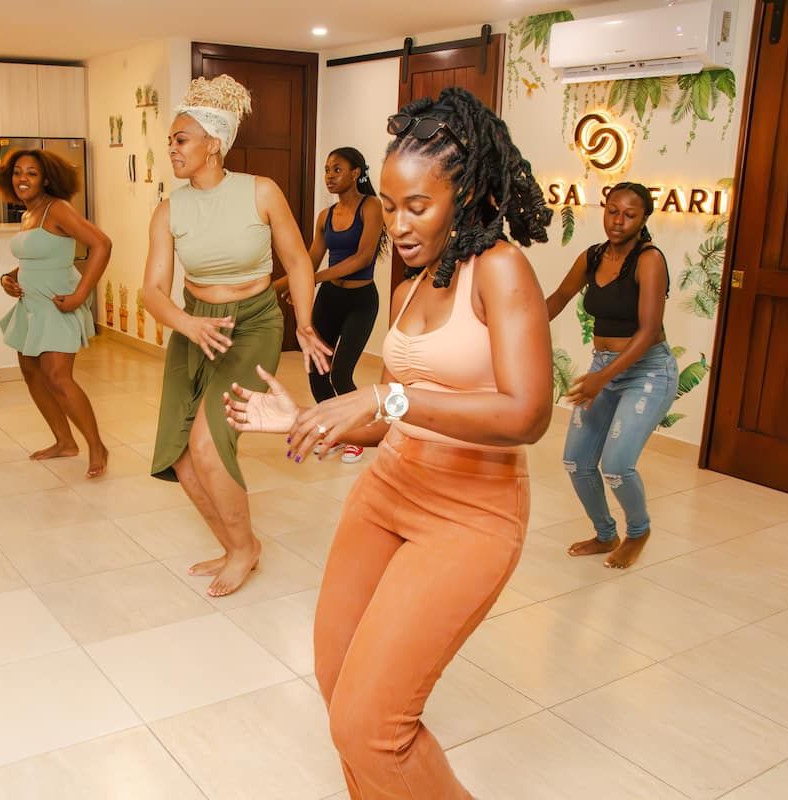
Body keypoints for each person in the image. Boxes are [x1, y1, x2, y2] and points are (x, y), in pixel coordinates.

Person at [225, 88, 552, 798]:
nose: (398, 224)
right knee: (340, 692)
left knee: (372, 725)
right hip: (387, 494)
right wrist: (308, 420)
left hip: (470, 517)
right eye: (393, 204)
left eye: (418, 206)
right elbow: (401, 417)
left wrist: (386, 394)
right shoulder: (414, 282)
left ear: (465, 196)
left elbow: (527, 414)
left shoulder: (498, 269)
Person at [142, 74, 332, 597]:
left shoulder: (260, 191)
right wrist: (188, 324)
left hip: (252, 322)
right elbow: (153, 291)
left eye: (181, 139)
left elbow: (297, 262)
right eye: (172, 140)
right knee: (180, 454)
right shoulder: (169, 209)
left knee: (208, 442)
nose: (172, 148)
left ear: (213, 145)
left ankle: (245, 547)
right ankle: (233, 545)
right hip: (194, 324)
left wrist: (306, 323)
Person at [545, 181, 677, 569]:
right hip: (604, 367)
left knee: (617, 465)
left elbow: (649, 330)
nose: (618, 221)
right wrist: (513, 327)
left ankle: (639, 531)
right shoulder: (593, 256)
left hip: (647, 371)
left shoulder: (649, 259)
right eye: (612, 211)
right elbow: (557, 299)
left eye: (629, 214)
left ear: (644, 218)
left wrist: (602, 380)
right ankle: (605, 534)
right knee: (575, 461)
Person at [0, 148, 111, 475]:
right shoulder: (29, 213)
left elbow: (102, 244)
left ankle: (97, 446)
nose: (22, 179)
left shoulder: (57, 209)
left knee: (58, 378)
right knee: (33, 374)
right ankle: (64, 442)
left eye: (31, 173)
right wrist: (9, 278)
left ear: (46, 178)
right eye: (18, 172)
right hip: (31, 305)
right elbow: (37, 259)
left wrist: (80, 295)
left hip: (56, 303)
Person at [272, 147, 385, 464]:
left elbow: (362, 258)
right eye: (326, 170)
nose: (329, 177)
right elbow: (306, 262)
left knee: (341, 373)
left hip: (361, 300)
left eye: (337, 170)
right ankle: (335, 432)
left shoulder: (371, 207)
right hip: (331, 299)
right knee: (317, 371)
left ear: (355, 173)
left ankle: (359, 436)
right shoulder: (325, 217)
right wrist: (272, 288)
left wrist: (314, 278)